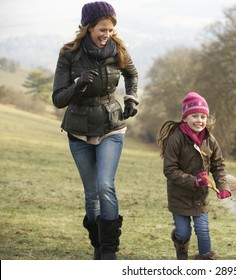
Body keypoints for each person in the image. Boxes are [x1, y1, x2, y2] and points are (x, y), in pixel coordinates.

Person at [52, 1, 139, 260]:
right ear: (88, 27)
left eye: (110, 30)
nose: (107, 35)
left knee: (104, 186)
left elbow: (132, 75)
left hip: (111, 126)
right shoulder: (69, 54)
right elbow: (58, 99)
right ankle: (98, 245)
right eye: (102, 29)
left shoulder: (118, 49)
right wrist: (78, 84)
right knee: (91, 194)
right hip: (78, 130)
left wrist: (132, 98)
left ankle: (109, 250)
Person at [157, 92, 231, 260]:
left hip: (200, 197)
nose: (199, 120)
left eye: (203, 116)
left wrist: (222, 186)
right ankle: (180, 245)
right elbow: (169, 170)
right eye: (194, 116)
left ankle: (206, 260)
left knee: (203, 230)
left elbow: (218, 165)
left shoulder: (210, 140)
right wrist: (194, 181)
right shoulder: (176, 139)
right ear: (185, 118)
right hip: (179, 196)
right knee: (183, 232)